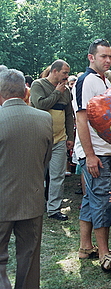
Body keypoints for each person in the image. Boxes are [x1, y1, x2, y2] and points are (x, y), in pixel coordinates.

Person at [0, 69, 53, 289]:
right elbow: (45, 159)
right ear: (26, 92)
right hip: (32, 198)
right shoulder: (44, 119)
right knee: (29, 260)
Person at [72, 39, 111, 270]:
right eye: (103, 56)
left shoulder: (102, 80)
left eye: (110, 56)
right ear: (91, 57)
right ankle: (104, 253)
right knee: (102, 201)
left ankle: (85, 247)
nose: (108, 60)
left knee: (91, 199)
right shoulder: (86, 81)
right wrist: (90, 155)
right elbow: (81, 119)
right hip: (96, 153)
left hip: (103, 150)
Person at [30, 59, 74, 221]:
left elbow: (69, 114)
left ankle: (54, 208)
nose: (66, 76)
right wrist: (57, 92)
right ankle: (33, 205)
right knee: (37, 174)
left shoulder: (67, 91)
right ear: (54, 71)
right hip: (39, 137)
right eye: (64, 73)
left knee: (57, 175)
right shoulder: (38, 85)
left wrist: (70, 136)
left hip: (60, 138)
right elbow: (40, 105)